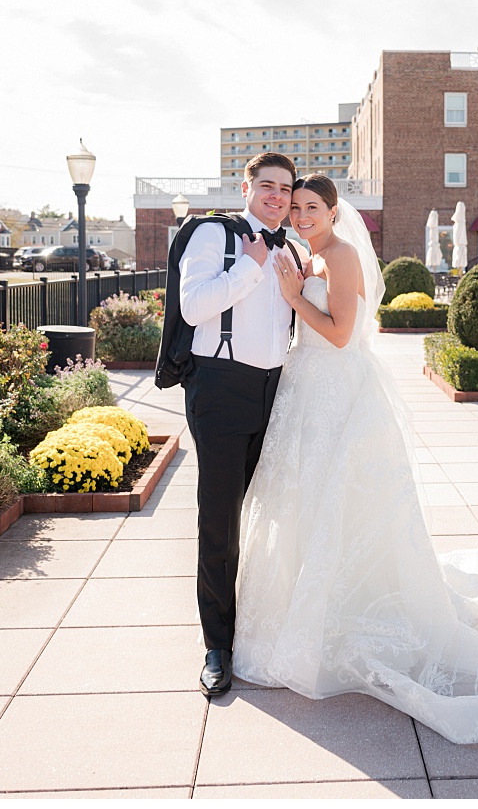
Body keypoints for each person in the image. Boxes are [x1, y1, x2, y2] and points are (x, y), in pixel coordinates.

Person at [233, 175, 478, 749]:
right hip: (308, 390)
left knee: (339, 505)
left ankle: (339, 617)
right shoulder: (311, 254)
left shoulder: (342, 257)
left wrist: (295, 297)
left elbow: (344, 335)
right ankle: (306, 613)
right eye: (296, 207)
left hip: (338, 393)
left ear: (333, 212)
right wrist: (292, 283)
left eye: (311, 208)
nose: (300, 215)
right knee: (307, 501)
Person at [175, 152, 298, 697]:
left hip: (276, 392)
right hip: (221, 389)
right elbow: (193, 308)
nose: (276, 196)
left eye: (285, 189)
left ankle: (261, 623)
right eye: (266, 185)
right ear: (245, 186)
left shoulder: (292, 248)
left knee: (268, 515)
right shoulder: (213, 237)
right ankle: (217, 644)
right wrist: (247, 265)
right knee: (220, 521)